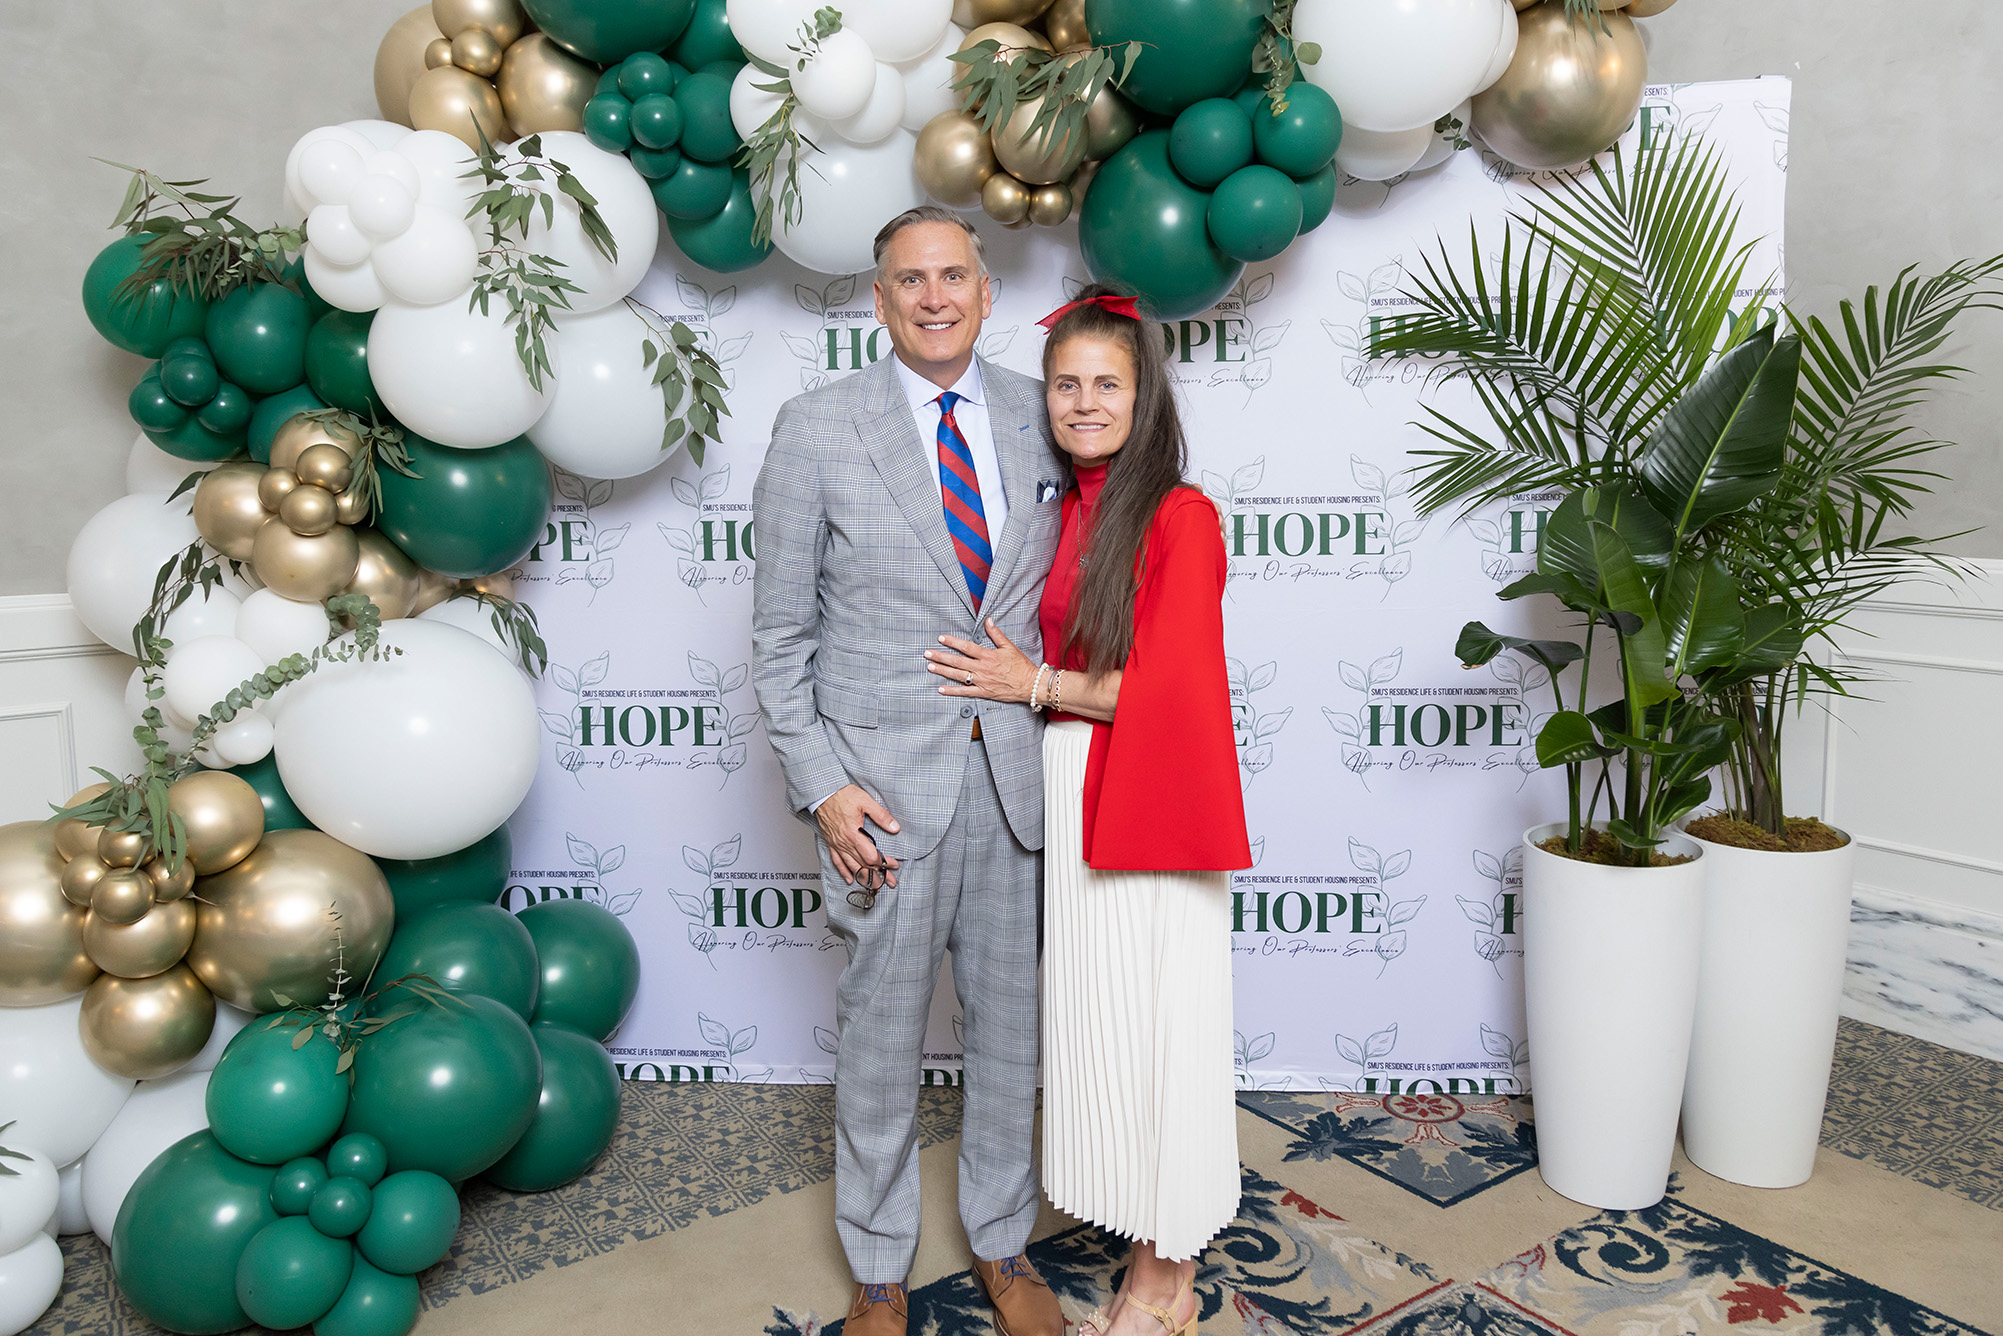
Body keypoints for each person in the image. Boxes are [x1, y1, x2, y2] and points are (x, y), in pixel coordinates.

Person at [751, 207, 1068, 1336]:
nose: (932, 297)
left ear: (986, 294)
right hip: (880, 800)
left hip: (1017, 789)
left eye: (951, 276)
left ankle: (1000, 1242)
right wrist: (827, 790)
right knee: (880, 1042)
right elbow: (779, 641)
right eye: (906, 281)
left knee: (1008, 1035)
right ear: (877, 303)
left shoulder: (1049, 418)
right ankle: (878, 1270)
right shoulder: (815, 428)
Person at [922, 286, 1251, 1336]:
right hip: (1076, 797)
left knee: (1165, 1034)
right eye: (1065, 384)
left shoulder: (1177, 515)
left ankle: (1167, 1278)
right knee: (1109, 1032)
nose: (1083, 401)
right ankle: (1144, 1244)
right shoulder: (1066, 510)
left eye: (1106, 383)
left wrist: (1031, 684)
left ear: (1143, 393)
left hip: (1148, 795)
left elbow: (1168, 692)